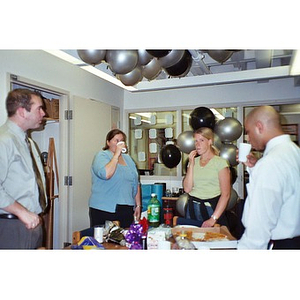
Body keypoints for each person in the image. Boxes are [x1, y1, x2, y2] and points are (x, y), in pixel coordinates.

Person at [238, 106, 300, 249]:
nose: (248, 138)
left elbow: (258, 228)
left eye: (248, 132)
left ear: (259, 127)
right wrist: (255, 168)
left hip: (279, 245)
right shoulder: (294, 152)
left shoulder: (271, 163)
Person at [0, 89, 47, 249]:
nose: (43, 113)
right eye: (39, 108)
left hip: (31, 223)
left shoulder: (29, 143)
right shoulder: (3, 141)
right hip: (11, 225)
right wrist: (21, 212)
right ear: (22, 112)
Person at [89, 129, 141, 228]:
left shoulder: (128, 159)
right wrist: (116, 154)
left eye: (122, 140)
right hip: (105, 209)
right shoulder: (101, 156)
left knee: (125, 239)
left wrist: (138, 205)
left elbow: (136, 183)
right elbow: (106, 174)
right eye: (116, 140)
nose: (120, 143)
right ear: (108, 142)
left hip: (126, 208)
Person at [181, 127, 231, 227]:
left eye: (202, 140)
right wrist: (191, 164)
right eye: (196, 141)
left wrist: (213, 218)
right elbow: (187, 189)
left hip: (212, 209)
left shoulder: (220, 163)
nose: (197, 144)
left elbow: (226, 194)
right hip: (192, 208)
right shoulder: (193, 162)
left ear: (210, 141)